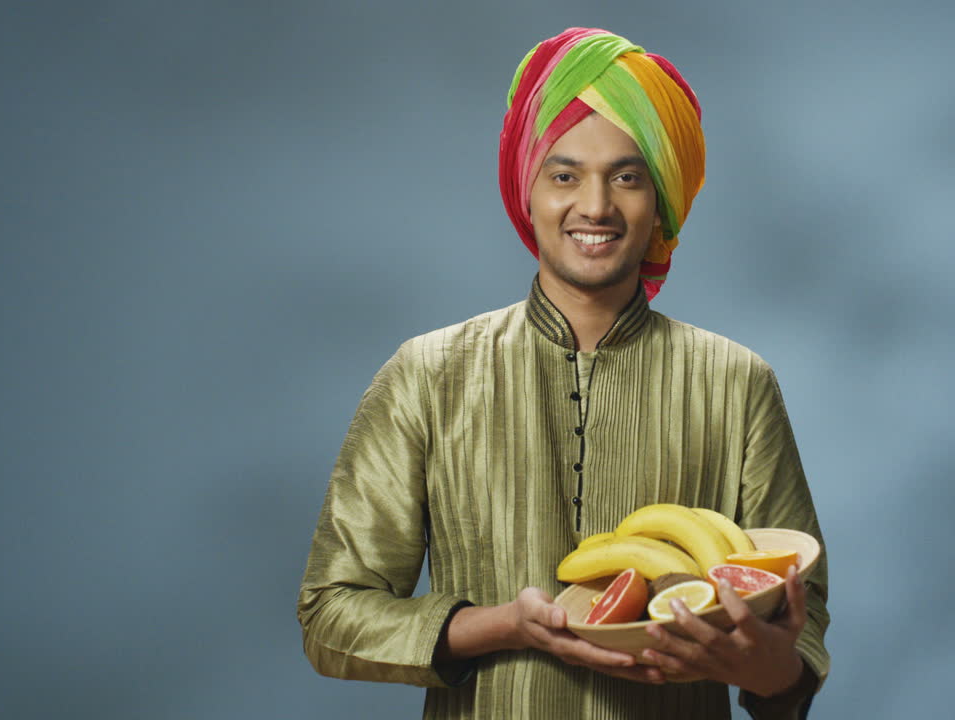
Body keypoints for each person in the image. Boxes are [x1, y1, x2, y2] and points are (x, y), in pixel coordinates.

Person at [298, 27, 830, 719]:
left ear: (661, 198)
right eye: (565, 174)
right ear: (528, 188)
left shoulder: (735, 383)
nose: (597, 206)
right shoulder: (427, 376)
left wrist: (773, 673)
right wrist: (498, 625)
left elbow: (801, 621)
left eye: (628, 176)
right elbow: (331, 614)